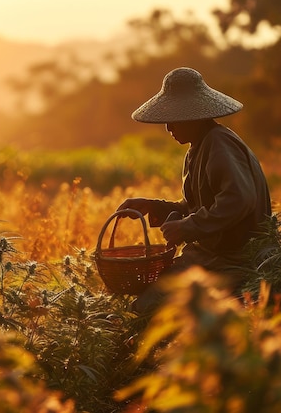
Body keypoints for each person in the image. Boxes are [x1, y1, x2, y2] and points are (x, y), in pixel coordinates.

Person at [116, 67, 272, 313]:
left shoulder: (219, 143)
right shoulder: (199, 148)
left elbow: (239, 200)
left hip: (234, 259)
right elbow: (197, 206)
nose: (168, 128)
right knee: (146, 300)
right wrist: (155, 207)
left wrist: (188, 227)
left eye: (174, 119)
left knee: (150, 306)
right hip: (211, 255)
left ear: (194, 116)